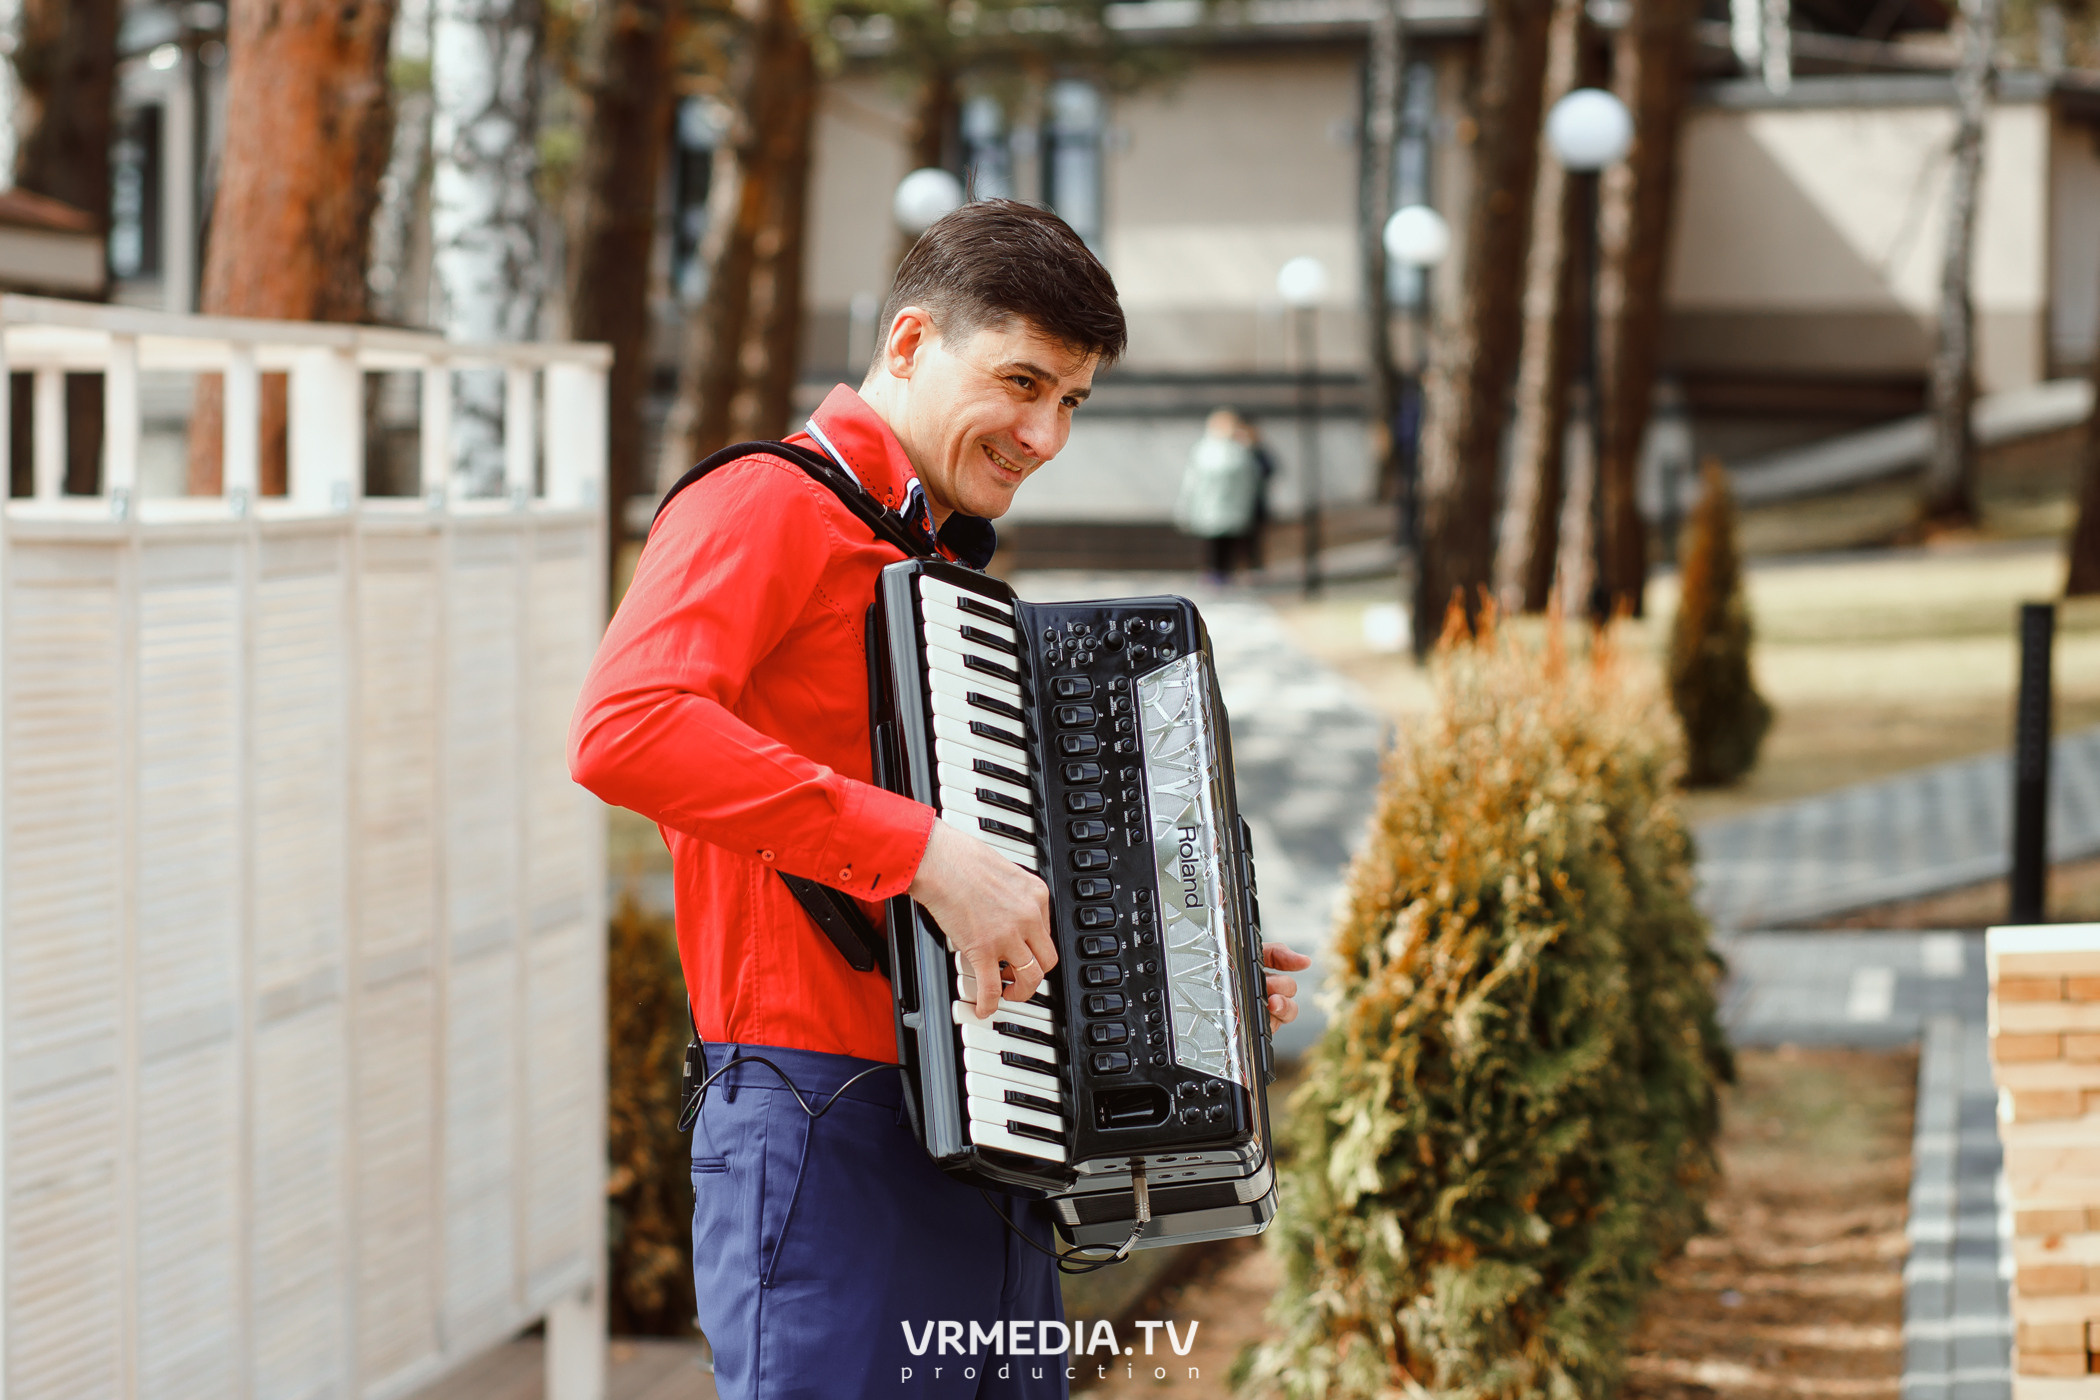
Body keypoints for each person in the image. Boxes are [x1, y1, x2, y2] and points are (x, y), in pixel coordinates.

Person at [568, 199, 1311, 1400]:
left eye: (1070, 399)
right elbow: (623, 729)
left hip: (988, 1127)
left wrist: (1189, 968)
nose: (1045, 434)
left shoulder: (939, 563)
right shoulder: (766, 501)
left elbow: (991, 851)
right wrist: (917, 851)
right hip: (821, 1119)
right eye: (1021, 381)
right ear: (909, 342)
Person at [1174, 408, 1262, 582]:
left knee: (1217, 546)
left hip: (1215, 509)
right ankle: (1220, 575)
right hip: (1225, 510)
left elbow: (1191, 482)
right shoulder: (1237, 452)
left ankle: (1217, 575)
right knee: (1221, 546)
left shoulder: (1227, 450)